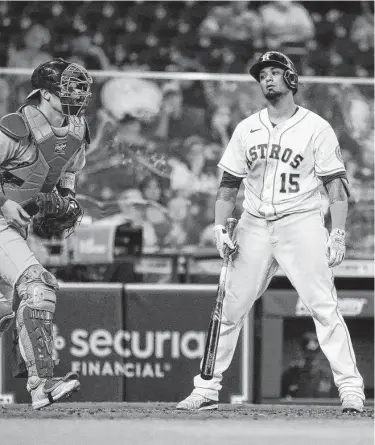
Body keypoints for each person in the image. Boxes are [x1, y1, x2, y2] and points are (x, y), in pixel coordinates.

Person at [177, 51, 365, 414]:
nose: (267, 79)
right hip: (254, 223)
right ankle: (206, 388)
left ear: (291, 79)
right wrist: (219, 225)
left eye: (275, 72)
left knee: (324, 306)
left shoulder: (316, 127)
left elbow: (336, 186)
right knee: (229, 308)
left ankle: (350, 388)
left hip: (301, 222)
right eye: (262, 75)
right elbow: (229, 183)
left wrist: (337, 231)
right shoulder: (247, 127)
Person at [0, 58, 92, 409]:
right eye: (69, 88)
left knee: (7, 307)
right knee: (37, 287)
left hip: (12, 230)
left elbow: (68, 171)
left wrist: (65, 197)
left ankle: (39, 382)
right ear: (45, 94)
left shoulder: (78, 129)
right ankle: (43, 385)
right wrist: (4, 203)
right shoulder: (15, 128)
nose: (78, 95)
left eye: (81, 88)